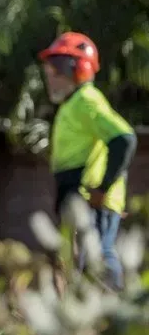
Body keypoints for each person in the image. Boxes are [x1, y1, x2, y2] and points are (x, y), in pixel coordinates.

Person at [38, 31, 136, 291]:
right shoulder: (72, 105)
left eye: (56, 69)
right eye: (49, 69)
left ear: (79, 69)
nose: (49, 75)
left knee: (100, 258)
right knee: (85, 266)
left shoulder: (86, 100)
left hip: (94, 201)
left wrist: (102, 189)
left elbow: (124, 139)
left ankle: (116, 320)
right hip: (81, 202)